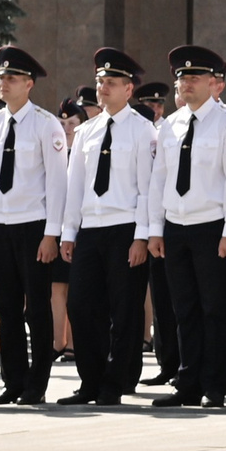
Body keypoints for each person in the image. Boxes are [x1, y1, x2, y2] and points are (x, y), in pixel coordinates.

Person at [144, 46, 226, 408]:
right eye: (181, 78)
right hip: (177, 226)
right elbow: (160, 179)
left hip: (212, 226)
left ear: (214, 83)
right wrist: (155, 228)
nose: (185, 83)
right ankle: (187, 380)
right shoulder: (171, 125)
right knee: (182, 308)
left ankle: (216, 383)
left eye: (193, 77)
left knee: (216, 309)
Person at [56, 49, 161, 406]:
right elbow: (76, 185)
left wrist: (142, 236)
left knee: (125, 308)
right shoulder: (86, 131)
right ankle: (90, 380)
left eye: (111, 83)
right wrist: (69, 232)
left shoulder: (142, 129)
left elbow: (148, 188)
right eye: (101, 82)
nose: (103, 88)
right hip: (92, 228)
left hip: (125, 227)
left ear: (128, 89)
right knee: (82, 305)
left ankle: (115, 382)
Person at [0, 46, 66, 406]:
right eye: (1, 78)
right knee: (7, 306)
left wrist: (52, 233)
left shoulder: (46, 124)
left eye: (11, 78)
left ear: (29, 84)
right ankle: (12, 380)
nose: (4, 83)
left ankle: (36, 383)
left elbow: (58, 182)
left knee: (37, 307)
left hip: (33, 225)